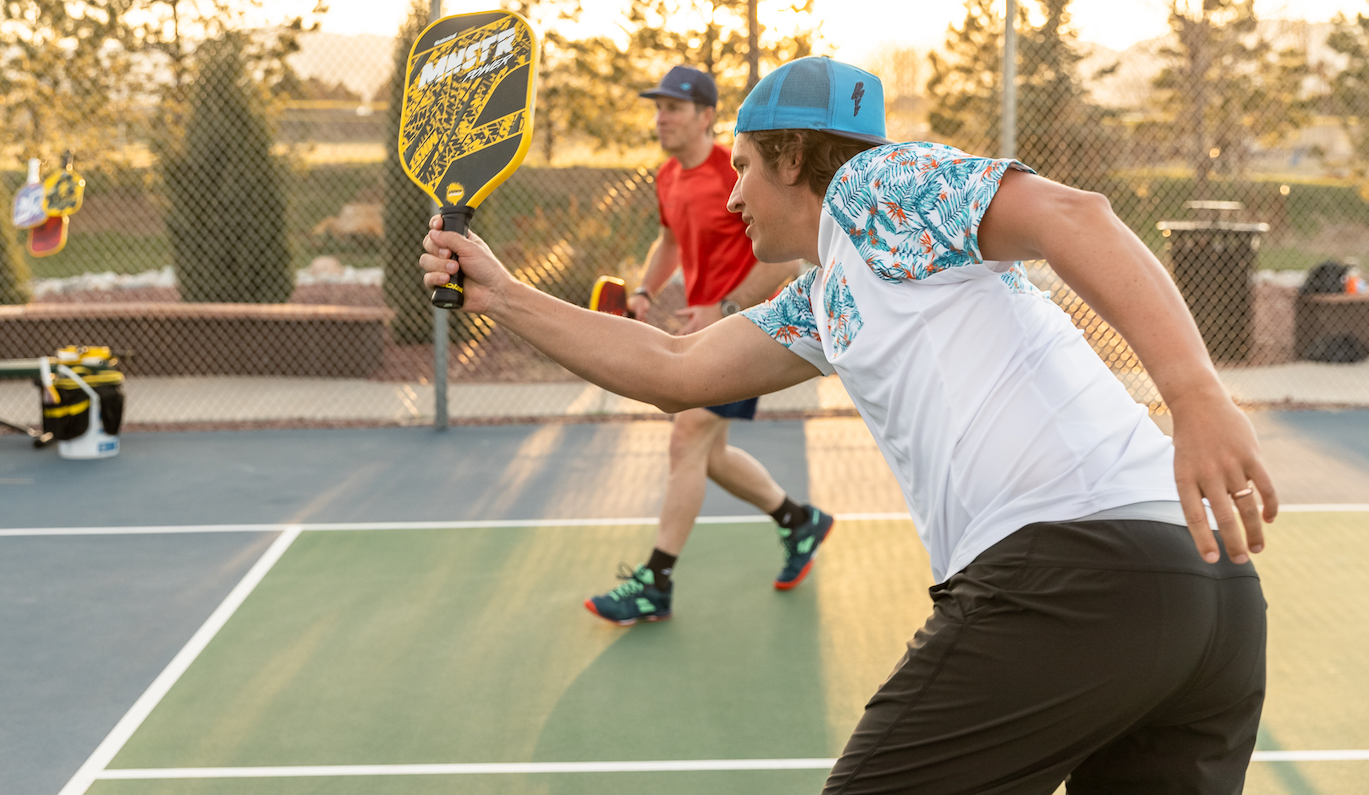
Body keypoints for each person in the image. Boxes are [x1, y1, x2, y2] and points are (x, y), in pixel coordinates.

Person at [422, 55, 1276, 792]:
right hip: (1211, 594)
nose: (732, 193)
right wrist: (501, 293)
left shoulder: (877, 189)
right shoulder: (834, 292)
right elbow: (675, 372)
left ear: (796, 157)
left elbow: (1074, 215)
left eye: (746, 163)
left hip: (1072, 575)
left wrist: (1195, 393)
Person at [581, 66, 832, 627]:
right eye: (658, 107)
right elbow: (670, 238)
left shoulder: (738, 170)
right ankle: (798, 520)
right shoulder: (668, 176)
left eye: (674, 107)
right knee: (707, 455)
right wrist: (647, 289)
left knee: (688, 440)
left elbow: (789, 261)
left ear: (705, 117)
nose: (661, 117)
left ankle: (657, 583)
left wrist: (726, 307)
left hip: (746, 329)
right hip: (704, 337)